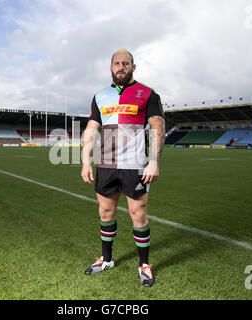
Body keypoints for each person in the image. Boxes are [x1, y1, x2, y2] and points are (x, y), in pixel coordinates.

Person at [81, 48, 165, 287]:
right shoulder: (99, 96)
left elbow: (157, 128)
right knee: (105, 214)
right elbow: (91, 129)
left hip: (135, 166)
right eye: (117, 63)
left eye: (126, 63)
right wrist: (86, 160)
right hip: (106, 165)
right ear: (110, 67)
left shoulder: (148, 93)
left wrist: (154, 161)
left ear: (133, 67)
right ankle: (106, 259)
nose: (121, 67)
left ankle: (144, 265)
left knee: (138, 215)